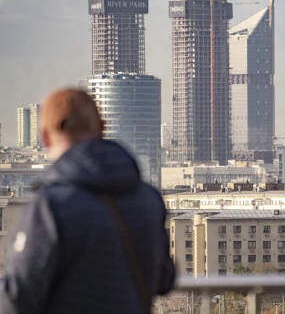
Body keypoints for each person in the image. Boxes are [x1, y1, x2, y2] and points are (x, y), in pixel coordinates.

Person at [0, 88, 175, 314]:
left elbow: (17, 297)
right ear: (102, 128)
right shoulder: (149, 200)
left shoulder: (51, 206)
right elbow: (164, 279)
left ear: (44, 136)